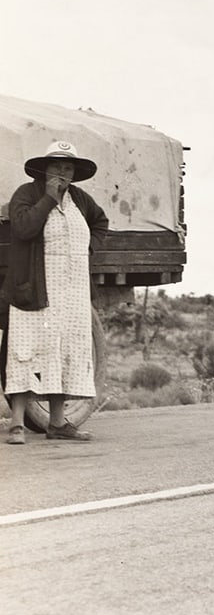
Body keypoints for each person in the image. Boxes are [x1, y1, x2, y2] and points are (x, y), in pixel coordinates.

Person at [2, 141, 108, 444]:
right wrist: (49, 198)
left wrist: (89, 247)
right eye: (57, 166)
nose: (63, 172)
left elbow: (101, 222)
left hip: (72, 291)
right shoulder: (28, 193)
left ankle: (58, 423)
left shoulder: (81, 199)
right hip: (35, 288)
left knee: (63, 352)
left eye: (68, 167)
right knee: (25, 350)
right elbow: (23, 228)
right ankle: (18, 424)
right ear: (44, 168)